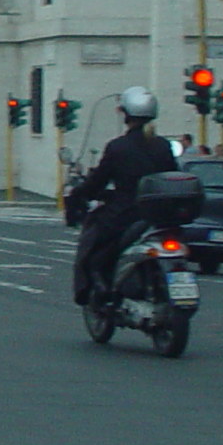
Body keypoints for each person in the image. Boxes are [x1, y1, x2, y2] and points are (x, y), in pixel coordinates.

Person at [65, 87, 179, 304]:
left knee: (94, 244)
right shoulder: (163, 146)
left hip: (126, 212)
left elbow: (98, 180)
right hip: (161, 214)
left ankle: (98, 285)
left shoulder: (118, 147)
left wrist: (79, 194)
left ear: (126, 114)